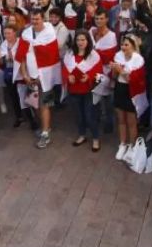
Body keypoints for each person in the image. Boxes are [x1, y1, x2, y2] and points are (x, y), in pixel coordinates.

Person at [17, 10, 61, 148]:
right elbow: (22, 56)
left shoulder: (50, 32)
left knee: (45, 104)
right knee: (35, 103)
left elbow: (51, 55)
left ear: (43, 19)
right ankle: (45, 127)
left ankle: (45, 134)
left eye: (37, 19)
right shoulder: (26, 34)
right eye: (33, 19)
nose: (34, 22)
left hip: (46, 76)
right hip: (31, 75)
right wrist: (25, 75)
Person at [61, 29, 103, 151]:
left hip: (88, 91)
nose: (80, 42)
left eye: (83, 40)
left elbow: (99, 72)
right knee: (78, 116)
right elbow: (64, 69)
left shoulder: (94, 55)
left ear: (88, 41)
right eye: (78, 40)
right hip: (74, 90)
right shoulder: (69, 54)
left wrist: (89, 76)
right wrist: (68, 76)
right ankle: (82, 135)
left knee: (90, 116)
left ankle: (95, 138)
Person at [113, 35, 147, 161]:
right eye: (122, 45)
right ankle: (122, 144)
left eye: (126, 45)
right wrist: (115, 70)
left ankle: (132, 146)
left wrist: (121, 71)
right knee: (121, 119)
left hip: (132, 92)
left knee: (131, 122)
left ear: (133, 45)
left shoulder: (139, 60)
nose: (123, 47)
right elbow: (115, 76)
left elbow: (134, 80)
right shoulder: (118, 56)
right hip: (120, 89)